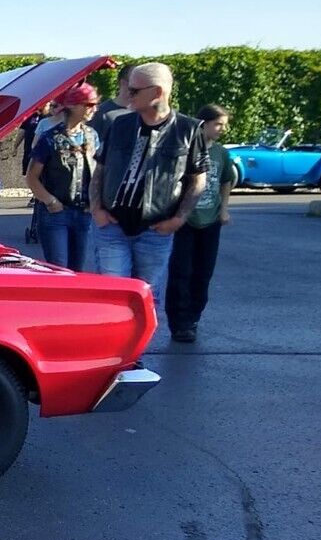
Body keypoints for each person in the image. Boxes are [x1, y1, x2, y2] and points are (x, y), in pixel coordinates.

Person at [90, 62, 209, 308]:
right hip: (112, 224)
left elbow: (198, 178)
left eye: (134, 90)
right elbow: (100, 169)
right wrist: (96, 209)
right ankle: (115, 347)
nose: (127, 94)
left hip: (155, 228)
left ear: (157, 92)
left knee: (145, 297)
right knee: (114, 294)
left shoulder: (188, 129)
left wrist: (179, 219)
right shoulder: (120, 124)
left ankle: (139, 347)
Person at [165, 104, 236, 343]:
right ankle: (179, 323)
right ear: (202, 123)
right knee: (181, 272)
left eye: (224, 124)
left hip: (211, 220)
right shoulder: (186, 148)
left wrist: (224, 209)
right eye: (218, 124)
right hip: (186, 220)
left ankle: (194, 318)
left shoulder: (221, 154)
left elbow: (226, 181)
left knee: (203, 273)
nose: (222, 129)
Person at [25, 82, 100, 271]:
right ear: (73, 105)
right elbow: (32, 176)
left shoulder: (92, 135)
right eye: (88, 104)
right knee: (59, 271)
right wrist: (50, 201)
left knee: (77, 271)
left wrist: (95, 201)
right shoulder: (49, 138)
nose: (94, 109)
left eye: (94, 104)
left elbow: (98, 172)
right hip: (55, 214)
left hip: (83, 213)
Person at [89, 62, 136, 157]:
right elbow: (92, 146)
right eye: (135, 81)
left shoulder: (142, 111)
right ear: (123, 82)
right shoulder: (102, 112)